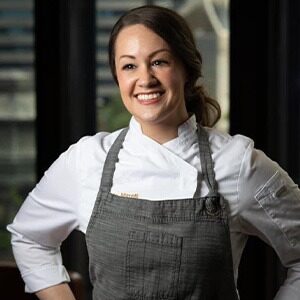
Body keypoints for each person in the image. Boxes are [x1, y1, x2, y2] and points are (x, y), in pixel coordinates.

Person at [7, 5, 300, 300]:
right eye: (129, 66)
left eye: (159, 62)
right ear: (117, 77)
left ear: (186, 68)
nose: (145, 79)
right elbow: (29, 238)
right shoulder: (87, 160)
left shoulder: (237, 164)